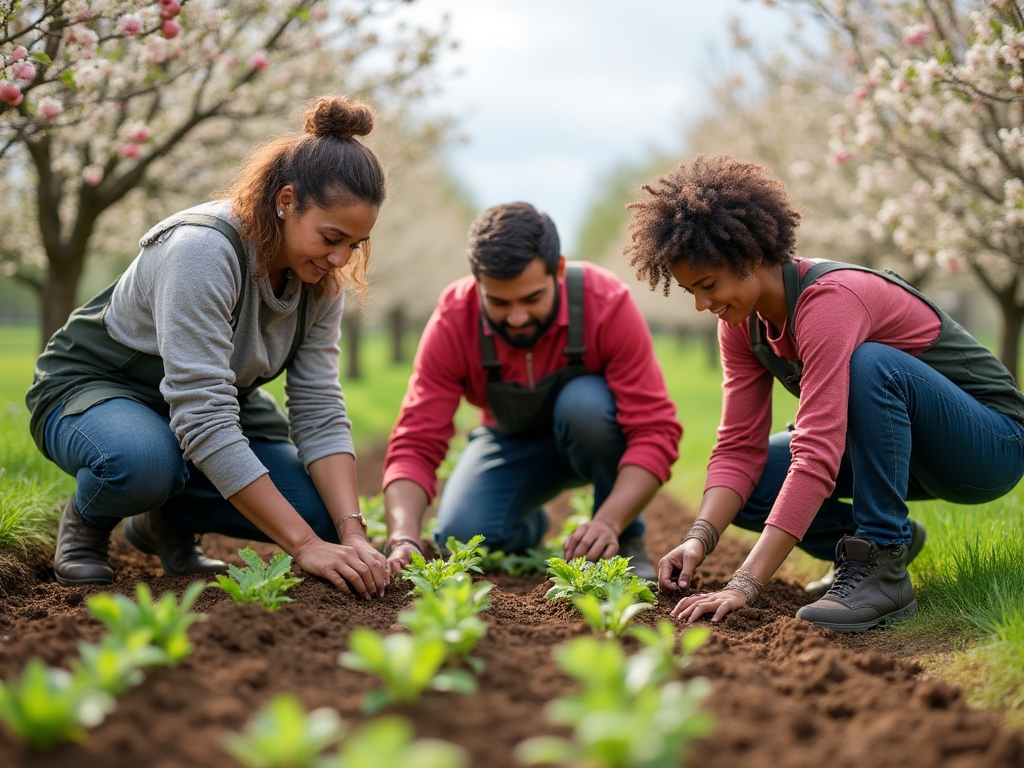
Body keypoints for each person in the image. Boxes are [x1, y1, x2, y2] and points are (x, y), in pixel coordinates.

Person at [624, 154, 1024, 632]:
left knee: (871, 365)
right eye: (691, 290)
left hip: (990, 446)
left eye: (708, 285)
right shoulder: (741, 325)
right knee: (759, 474)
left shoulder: (830, 300)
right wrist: (699, 539)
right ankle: (874, 542)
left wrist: (744, 583)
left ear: (751, 257)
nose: (702, 304)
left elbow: (818, 449)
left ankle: (880, 562)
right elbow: (737, 447)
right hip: (908, 452)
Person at [27, 96, 390, 601]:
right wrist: (303, 547)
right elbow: (201, 411)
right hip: (100, 390)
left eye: (356, 243)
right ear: (286, 201)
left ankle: (162, 523)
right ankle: (90, 518)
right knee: (144, 463)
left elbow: (319, 409)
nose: (340, 258)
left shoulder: (322, 282)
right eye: (331, 237)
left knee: (322, 516)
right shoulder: (203, 250)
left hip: (210, 405)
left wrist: (350, 534)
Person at [380, 202, 682, 581]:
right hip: (509, 442)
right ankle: (529, 524)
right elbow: (416, 439)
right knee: (460, 535)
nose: (517, 317)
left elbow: (655, 430)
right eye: (500, 303)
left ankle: (623, 536)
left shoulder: (604, 303)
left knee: (585, 404)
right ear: (477, 283)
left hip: (592, 437)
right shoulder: (454, 319)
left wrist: (608, 521)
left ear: (558, 270)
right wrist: (403, 535)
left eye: (532, 298)